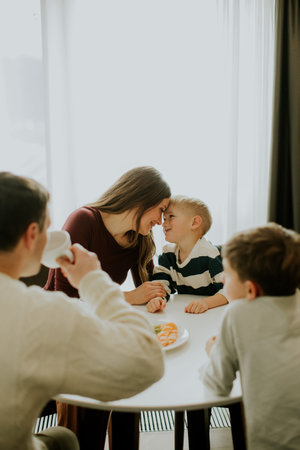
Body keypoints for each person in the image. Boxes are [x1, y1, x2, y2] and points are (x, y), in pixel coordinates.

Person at [0, 172, 165, 450]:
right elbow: (147, 363)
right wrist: (93, 280)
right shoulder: (40, 314)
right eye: (48, 229)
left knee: (63, 437)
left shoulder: (138, 239)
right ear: (31, 235)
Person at [44, 166, 171, 448]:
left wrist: (154, 297)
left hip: (100, 327)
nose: (161, 221)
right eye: (160, 210)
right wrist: (128, 298)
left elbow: (146, 287)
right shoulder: (84, 220)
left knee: (131, 380)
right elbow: (64, 299)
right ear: (141, 198)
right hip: (61, 331)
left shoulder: (139, 238)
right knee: (91, 402)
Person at [200, 223, 300, 450]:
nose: (223, 280)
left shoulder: (238, 313)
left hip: (273, 442)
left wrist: (213, 352)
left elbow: (217, 386)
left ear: (250, 290)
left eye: (228, 274)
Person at [147, 195, 228, 313]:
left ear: (194, 222)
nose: (163, 224)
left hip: (212, 312)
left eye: (171, 217)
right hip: (187, 312)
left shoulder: (209, 254)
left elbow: (228, 290)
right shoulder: (168, 254)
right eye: (164, 218)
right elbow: (161, 283)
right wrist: (158, 299)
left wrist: (206, 303)